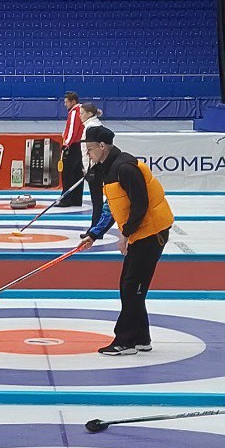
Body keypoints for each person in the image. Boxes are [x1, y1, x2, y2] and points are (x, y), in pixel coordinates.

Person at [81, 126, 174, 357]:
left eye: (90, 149)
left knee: (132, 287)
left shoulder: (125, 167)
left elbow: (140, 204)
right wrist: (94, 234)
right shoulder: (109, 168)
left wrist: (125, 234)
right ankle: (141, 338)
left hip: (152, 233)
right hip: (141, 232)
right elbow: (113, 205)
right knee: (130, 287)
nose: (88, 155)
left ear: (102, 146)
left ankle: (125, 341)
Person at [78, 102, 105, 225]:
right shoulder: (91, 125)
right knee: (96, 198)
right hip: (93, 167)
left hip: (94, 168)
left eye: (82, 113)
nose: (80, 116)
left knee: (97, 198)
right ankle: (95, 225)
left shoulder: (92, 127)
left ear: (89, 114)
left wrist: (89, 168)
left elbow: (91, 151)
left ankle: (96, 227)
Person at [58, 91, 84, 208]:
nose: (65, 105)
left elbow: (73, 130)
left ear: (73, 101)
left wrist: (66, 144)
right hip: (80, 146)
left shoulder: (74, 112)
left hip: (72, 146)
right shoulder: (82, 110)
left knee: (67, 173)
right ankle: (76, 199)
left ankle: (66, 200)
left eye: (66, 102)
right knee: (78, 173)